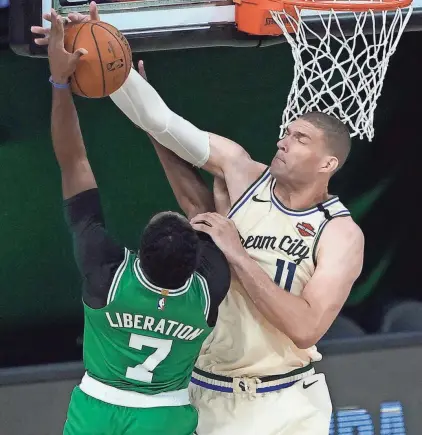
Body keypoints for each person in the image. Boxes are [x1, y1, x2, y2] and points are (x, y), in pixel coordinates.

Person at [33, 5, 364, 434]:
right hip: (203, 392)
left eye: (299, 138)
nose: (283, 142)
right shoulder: (243, 172)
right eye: (285, 132)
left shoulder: (339, 233)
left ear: (328, 163)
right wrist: (100, 50)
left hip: (280, 401)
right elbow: (163, 123)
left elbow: (306, 328)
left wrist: (238, 254)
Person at [41, 9, 230, 435]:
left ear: (137, 254)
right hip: (166, 416)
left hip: (98, 411)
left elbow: (74, 163)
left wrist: (59, 83)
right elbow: (203, 207)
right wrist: (156, 122)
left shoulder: (107, 274)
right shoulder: (210, 287)